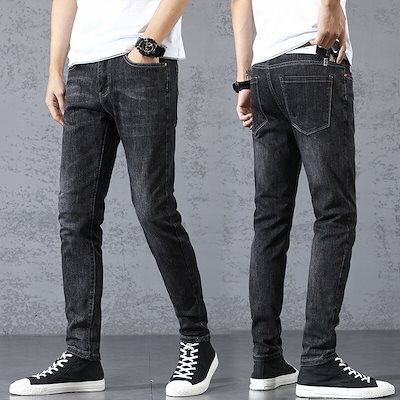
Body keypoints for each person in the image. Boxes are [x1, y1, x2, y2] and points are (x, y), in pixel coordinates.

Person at [9, 0, 218, 396]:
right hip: (83, 70)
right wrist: (55, 69)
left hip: (144, 64)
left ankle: (197, 341)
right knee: (75, 217)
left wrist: (149, 45)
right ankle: (82, 355)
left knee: (154, 208)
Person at [231, 0, 395, 398]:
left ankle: (266, 360)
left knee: (269, 220)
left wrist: (244, 79)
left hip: (264, 71)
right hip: (312, 58)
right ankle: (319, 362)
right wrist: (330, 5)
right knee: (335, 215)